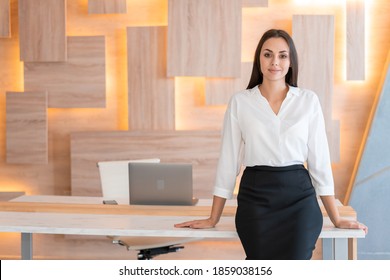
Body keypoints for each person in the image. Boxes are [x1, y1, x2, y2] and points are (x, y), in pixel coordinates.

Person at [175, 29, 368, 260]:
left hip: (299, 201)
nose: (275, 62)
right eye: (268, 55)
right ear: (259, 59)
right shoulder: (240, 102)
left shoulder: (308, 101)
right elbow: (228, 162)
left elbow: (320, 163)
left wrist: (336, 218)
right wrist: (212, 218)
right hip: (255, 199)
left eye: (282, 55)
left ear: (291, 61)